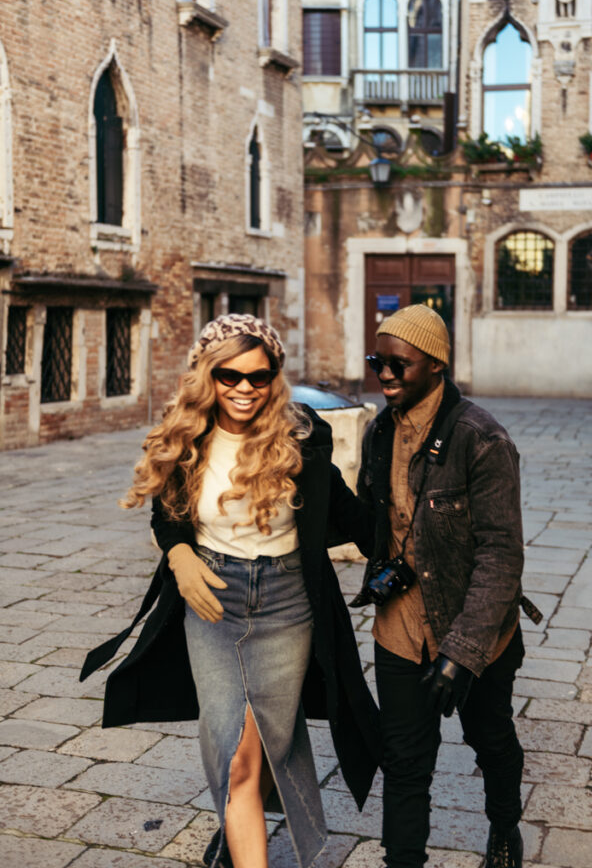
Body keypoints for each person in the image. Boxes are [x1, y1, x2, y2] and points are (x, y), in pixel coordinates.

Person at [81, 314, 379, 868]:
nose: (244, 388)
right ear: (207, 375)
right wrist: (179, 555)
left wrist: (415, 525)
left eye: (259, 376)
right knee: (234, 751)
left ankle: (238, 837)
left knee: (269, 741)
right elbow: (167, 514)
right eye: (229, 375)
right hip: (212, 601)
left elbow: (349, 514)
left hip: (288, 605)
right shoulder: (187, 433)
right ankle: (244, 839)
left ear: (275, 378)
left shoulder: (302, 435)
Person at [352, 304, 538, 868]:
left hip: (477, 631)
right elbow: (367, 528)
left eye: (397, 364)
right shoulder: (378, 431)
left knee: (491, 741)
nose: (384, 374)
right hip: (402, 629)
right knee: (405, 761)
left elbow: (502, 557)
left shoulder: (482, 439)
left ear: (435, 366)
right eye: (376, 362)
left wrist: (463, 652)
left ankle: (505, 829)